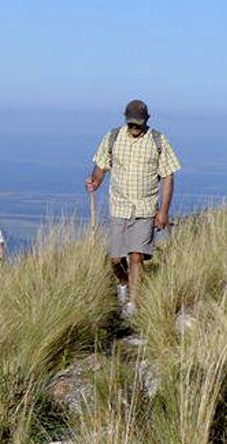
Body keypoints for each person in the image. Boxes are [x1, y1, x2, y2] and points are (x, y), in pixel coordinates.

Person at [86, 99, 181, 317]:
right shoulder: (113, 137)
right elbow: (101, 165)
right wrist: (95, 181)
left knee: (136, 257)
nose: (134, 128)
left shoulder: (158, 140)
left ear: (147, 120)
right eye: (131, 124)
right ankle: (123, 284)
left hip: (145, 208)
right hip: (119, 207)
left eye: (138, 124)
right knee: (116, 259)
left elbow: (168, 176)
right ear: (125, 120)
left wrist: (164, 211)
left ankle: (132, 304)